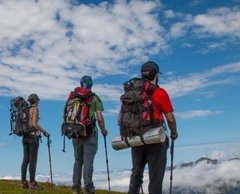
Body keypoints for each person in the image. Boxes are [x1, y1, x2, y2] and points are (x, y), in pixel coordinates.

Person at [128, 61, 178, 194]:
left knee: (136, 172)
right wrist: (174, 133)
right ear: (156, 75)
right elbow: (170, 119)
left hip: (136, 136)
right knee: (155, 177)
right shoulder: (160, 92)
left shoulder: (132, 93)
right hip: (156, 137)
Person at [71, 75, 108, 194]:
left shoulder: (73, 96)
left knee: (78, 161)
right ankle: (88, 188)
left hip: (75, 132)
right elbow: (100, 118)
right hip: (90, 132)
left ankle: (76, 188)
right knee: (88, 162)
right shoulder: (94, 98)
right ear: (91, 84)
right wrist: (103, 130)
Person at [21, 93, 50, 190]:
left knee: (25, 160)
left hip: (25, 137)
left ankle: (23, 183)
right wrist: (44, 132)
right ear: (36, 101)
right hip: (33, 137)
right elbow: (34, 124)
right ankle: (32, 184)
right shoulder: (35, 109)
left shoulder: (25, 110)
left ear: (29, 101)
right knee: (32, 161)